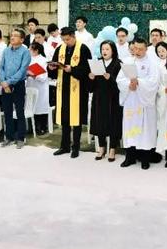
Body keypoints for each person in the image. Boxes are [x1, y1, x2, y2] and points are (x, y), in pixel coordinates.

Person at [117, 38, 161, 170]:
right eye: (135, 48)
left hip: (144, 103)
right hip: (131, 100)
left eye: (141, 49)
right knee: (130, 128)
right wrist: (128, 84)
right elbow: (120, 79)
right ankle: (130, 157)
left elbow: (154, 82)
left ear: (146, 49)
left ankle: (145, 158)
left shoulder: (152, 64)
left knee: (145, 130)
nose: (137, 51)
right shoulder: (128, 62)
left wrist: (139, 82)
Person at [50, 26, 92, 157]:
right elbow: (55, 67)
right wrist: (51, 67)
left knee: (76, 120)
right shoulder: (60, 48)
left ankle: (76, 147)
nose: (66, 42)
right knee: (64, 119)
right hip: (63, 89)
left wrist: (72, 70)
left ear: (73, 36)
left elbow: (87, 69)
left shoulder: (83, 49)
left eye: (67, 39)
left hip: (78, 90)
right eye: (63, 40)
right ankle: (64, 146)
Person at [89, 40, 123, 161]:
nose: (104, 51)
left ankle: (112, 148)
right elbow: (91, 88)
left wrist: (111, 78)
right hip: (99, 97)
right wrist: (91, 78)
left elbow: (122, 84)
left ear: (113, 50)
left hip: (113, 99)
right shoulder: (97, 63)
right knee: (100, 122)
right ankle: (101, 147)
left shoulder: (118, 64)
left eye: (107, 49)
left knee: (113, 123)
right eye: (103, 49)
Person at [0, 29, 31, 148]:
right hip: (5, 84)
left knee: (19, 111)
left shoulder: (25, 52)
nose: (12, 38)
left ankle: (20, 138)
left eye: (15, 36)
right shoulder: (6, 51)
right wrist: (3, 81)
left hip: (18, 84)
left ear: (22, 39)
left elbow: (22, 70)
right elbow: (1, 67)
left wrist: (8, 82)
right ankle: (9, 136)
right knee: (7, 111)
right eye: (11, 35)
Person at [26, 42, 50, 135]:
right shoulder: (28, 59)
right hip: (30, 84)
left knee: (40, 107)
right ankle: (32, 127)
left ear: (36, 50)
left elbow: (43, 76)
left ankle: (42, 127)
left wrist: (34, 75)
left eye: (30, 49)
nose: (29, 50)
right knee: (30, 106)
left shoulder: (43, 60)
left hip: (40, 87)